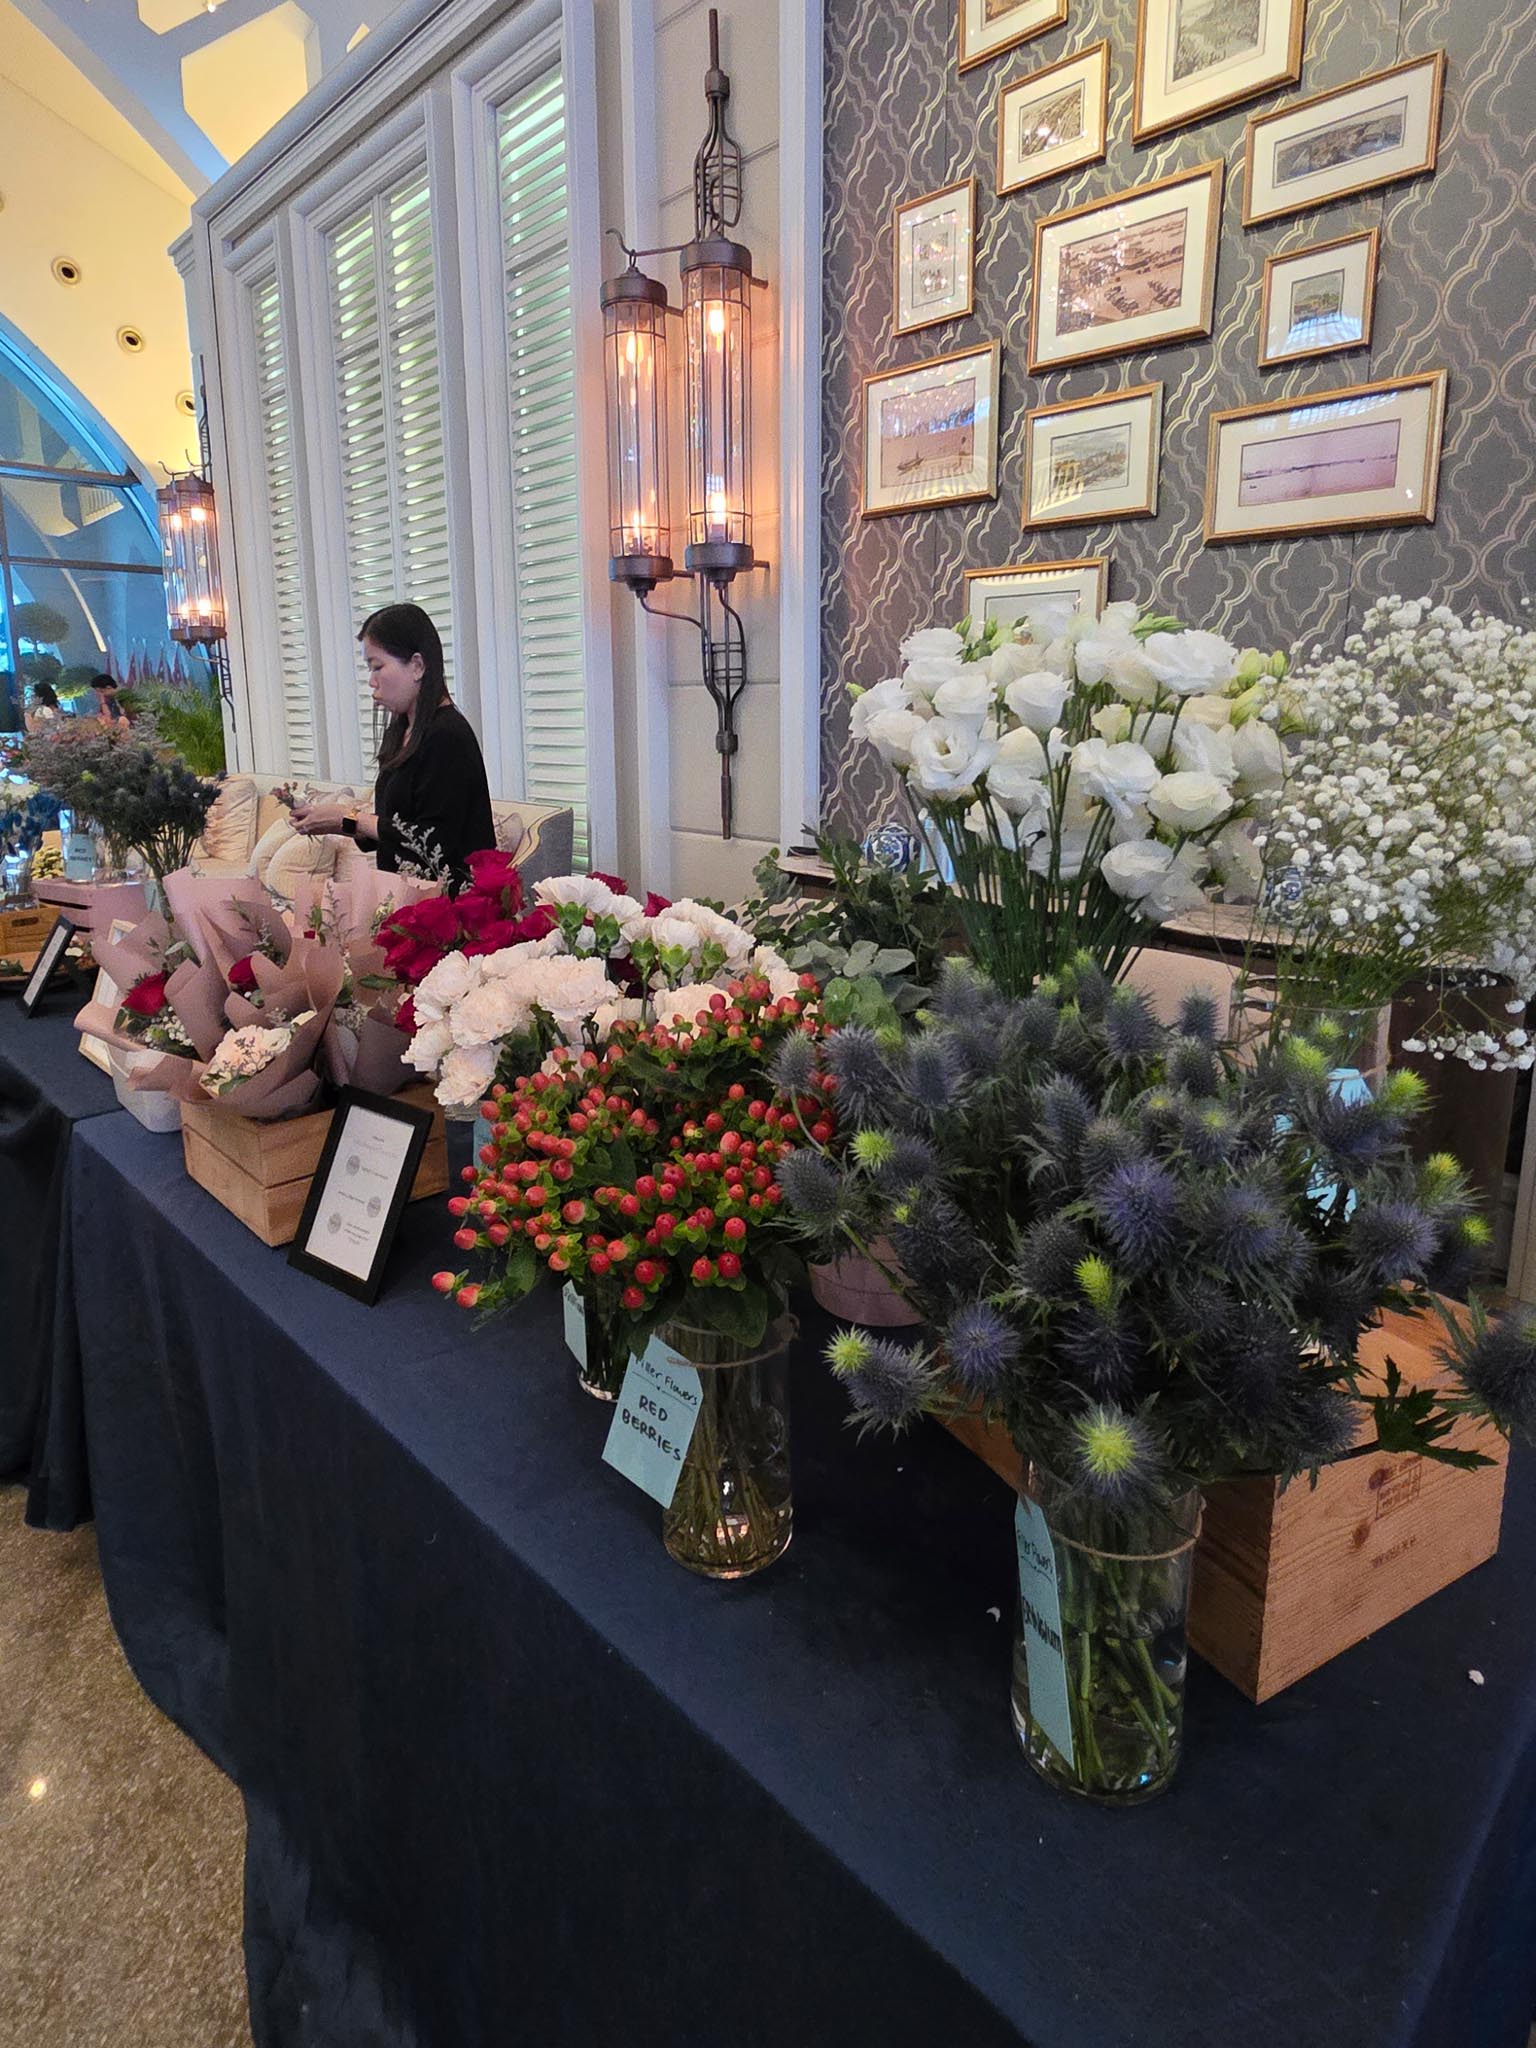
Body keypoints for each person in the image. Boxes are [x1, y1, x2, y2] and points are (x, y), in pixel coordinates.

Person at [292, 603, 493, 889]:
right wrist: (338, 821)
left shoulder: (447, 735)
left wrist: (350, 819)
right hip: (404, 894)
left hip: (446, 903)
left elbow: (435, 842)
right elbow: (394, 827)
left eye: (377, 667)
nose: (371, 681)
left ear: (417, 666)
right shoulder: (402, 732)